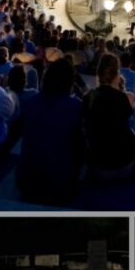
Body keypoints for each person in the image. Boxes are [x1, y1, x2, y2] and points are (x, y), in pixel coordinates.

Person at [17, 58, 83, 204]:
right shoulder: (76, 107)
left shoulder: (30, 103)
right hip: (60, 186)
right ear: (70, 82)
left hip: (28, 183)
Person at [83, 53, 135, 179]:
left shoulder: (88, 98)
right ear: (117, 75)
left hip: (96, 165)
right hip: (121, 166)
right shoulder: (122, 98)